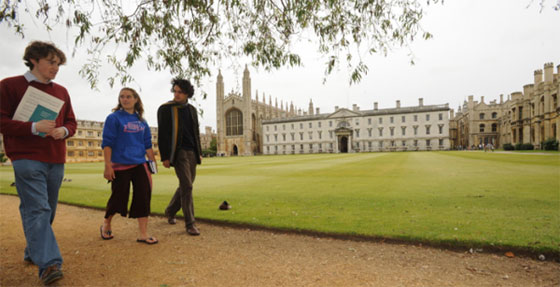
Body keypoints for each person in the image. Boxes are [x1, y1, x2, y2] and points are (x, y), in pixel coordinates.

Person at [0, 41, 77, 285]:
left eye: (58, 64)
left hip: (55, 157)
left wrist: (63, 130)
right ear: (34, 59)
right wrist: (33, 127)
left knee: (46, 209)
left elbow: (72, 123)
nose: (56, 68)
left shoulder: (62, 92)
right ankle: (49, 264)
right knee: (39, 209)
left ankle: (34, 251)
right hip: (25, 157)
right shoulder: (9, 86)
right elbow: (1, 121)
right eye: (51, 62)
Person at [100, 88, 158, 244]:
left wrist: (152, 162)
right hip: (120, 164)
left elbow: (147, 144)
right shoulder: (114, 118)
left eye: (128, 97)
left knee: (143, 197)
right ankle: (107, 222)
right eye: (122, 97)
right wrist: (108, 166)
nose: (125, 99)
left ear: (136, 99)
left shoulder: (142, 121)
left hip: (139, 164)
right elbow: (107, 143)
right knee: (118, 198)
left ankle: (143, 234)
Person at [157, 78, 202, 236]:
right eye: (175, 91)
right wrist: (165, 157)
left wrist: (199, 152)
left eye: (180, 92)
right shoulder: (165, 109)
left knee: (185, 185)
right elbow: (162, 134)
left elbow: (195, 132)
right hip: (178, 152)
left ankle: (170, 211)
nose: (176, 94)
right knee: (187, 186)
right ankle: (190, 224)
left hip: (192, 152)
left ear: (187, 93)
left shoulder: (192, 110)